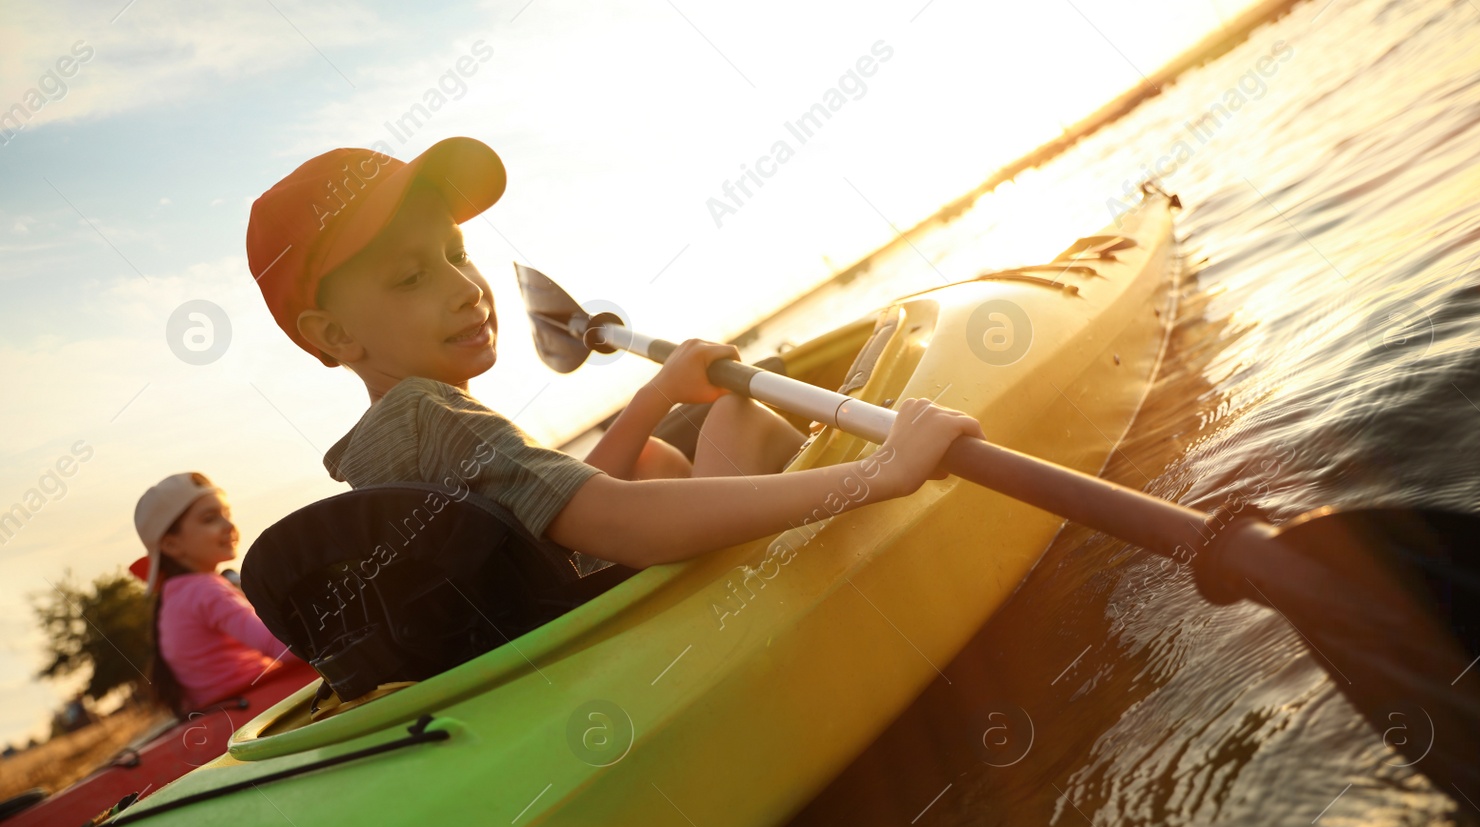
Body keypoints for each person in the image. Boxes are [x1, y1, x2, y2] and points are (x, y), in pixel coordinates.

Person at [245, 137, 982, 574]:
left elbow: (557, 507)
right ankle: (892, 548)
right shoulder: (441, 417)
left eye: (457, 255)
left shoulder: (381, 447)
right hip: (660, 617)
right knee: (736, 417)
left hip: (557, 611)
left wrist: (657, 393)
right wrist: (880, 472)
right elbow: (618, 523)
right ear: (335, 336)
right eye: (411, 277)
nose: (466, 289)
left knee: (655, 453)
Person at [131, 473, 308, 712]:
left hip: (231, 711)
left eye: (227, 514)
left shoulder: (175, 596)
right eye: (210, 519)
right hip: (260, 705)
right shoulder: (205, 590)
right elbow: (282, 649)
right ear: (172, 545)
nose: (229, 526)